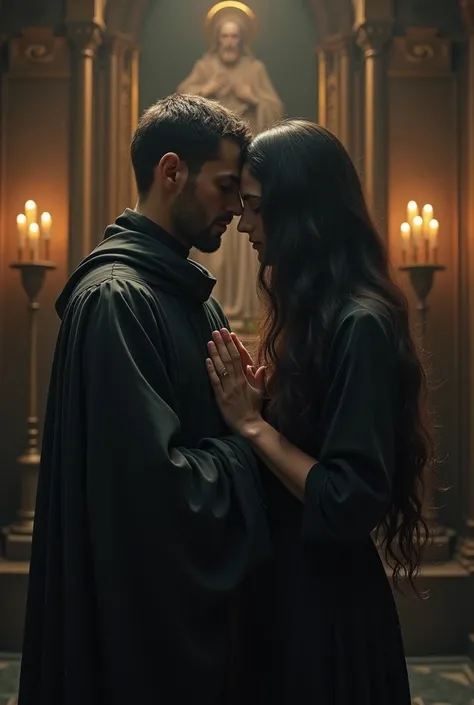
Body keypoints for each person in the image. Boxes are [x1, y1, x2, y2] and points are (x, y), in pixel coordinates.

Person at [18, 94, 272, 705]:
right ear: (171, 172)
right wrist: (253, 439)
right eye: (227, 187)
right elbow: (155, 492)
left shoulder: (194, 297)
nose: (237, 211)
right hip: (138, 637)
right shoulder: (117, 300)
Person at [206, 119, 434, 704]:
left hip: (327, 612)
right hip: (290, 593)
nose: (245, 226)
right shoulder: (317, 315)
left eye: (255, 208)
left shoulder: (360, 323)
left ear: (300, 207)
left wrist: (253, 426)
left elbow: (347, 497)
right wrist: (270, 412)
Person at [178, 1, 283, 330]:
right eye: (224, 36)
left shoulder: (254, 70)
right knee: (216, 253)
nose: (229, 42)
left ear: (242, 40)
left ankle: (244, 314)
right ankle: (216, 311)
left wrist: (251, 97)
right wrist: (207, 91)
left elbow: (274, 110)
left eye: (235, 37)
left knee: (241, 247)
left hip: (245, 174)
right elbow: (181, 105)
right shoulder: (204, 67)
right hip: (213, 176)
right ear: (217, 39)